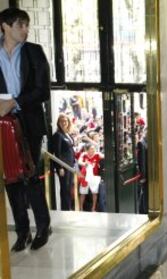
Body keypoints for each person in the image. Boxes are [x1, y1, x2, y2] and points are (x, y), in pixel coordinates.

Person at [0, 8, 51, 251]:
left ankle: (42, 228)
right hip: (3, 124)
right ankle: (22, 232)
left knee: (31, 176)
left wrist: (15, 102)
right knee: (11, 179)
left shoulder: (34, 52)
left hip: (29, 122)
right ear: (5, 26)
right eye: (20, 25)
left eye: (27, 25)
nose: (25, 30)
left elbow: (43, 91)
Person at [52, 113, 76, 211]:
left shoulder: (67, 134)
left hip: (70, 165)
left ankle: (69, 208)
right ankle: (65, 210)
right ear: (58, 123)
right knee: (65, 189)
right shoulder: (58, 135)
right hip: (63, 166)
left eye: (65, 121)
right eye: (61, 121)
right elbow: (57, 152)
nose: (63, 123)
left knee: (69, 188)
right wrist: (60, 167)